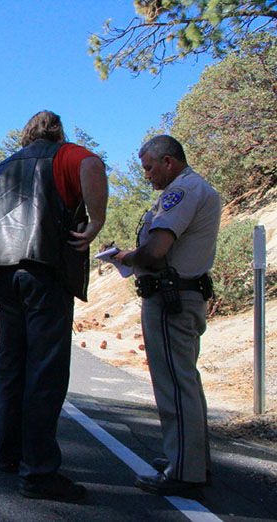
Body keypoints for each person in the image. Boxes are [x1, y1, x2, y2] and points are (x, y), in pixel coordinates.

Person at [0, 110, 107, 502]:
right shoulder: (64, 155)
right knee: (45, 370)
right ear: (57, 133)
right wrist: (97, 220)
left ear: (26, 135)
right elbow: (93, 163)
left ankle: (10, 454)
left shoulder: (5, 167)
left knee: (11, 365)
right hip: (44, 269)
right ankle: (39, 473)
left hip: (3, 274)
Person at [112, 135, 220, 497]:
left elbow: (157, 250)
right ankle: (189, 459)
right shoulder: (194, 189)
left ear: (169, 162)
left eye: (149, 167)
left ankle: (186, 473)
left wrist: (127, 257)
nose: (146, 175)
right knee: (185, 381)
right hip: (184, 296)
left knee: (174, 385)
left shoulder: (182, 191)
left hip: (170, 299)